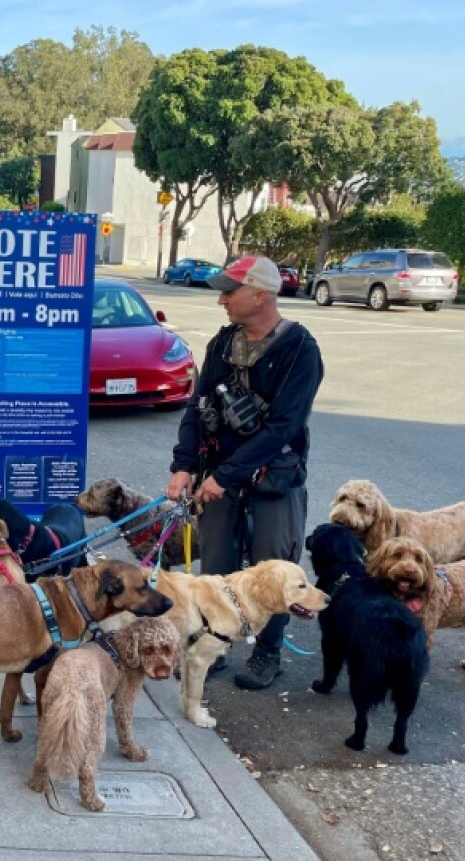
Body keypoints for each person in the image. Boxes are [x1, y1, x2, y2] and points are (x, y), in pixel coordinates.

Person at [165, 256, 324, 691]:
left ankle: (267, 652)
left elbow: (282, 429)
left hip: (274, 478)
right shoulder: (222, 343)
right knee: (216, 566)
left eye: (229, 291)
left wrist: (226, 476)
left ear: (260, 295)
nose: (221, 300)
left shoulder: (300, 350)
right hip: (219, 478)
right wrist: (183, 466)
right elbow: (197, 408)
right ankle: (214, 643)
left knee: (275, 571)